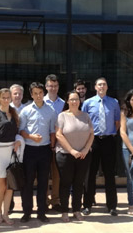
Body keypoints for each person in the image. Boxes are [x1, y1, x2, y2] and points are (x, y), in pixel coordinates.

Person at [81, 77, 120, 216]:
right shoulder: (87, 103)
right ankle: (87, 205)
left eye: (104, 84)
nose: (102, 87)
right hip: (93, 141)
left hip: (108, 140)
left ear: (107, 87)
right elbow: (83, 123)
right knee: (90, 174)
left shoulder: (114, 103)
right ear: (95, 87)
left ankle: (112, 206)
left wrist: (110, 134)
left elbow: (117, 122)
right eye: (99, 85)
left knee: (109, 174)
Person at [19, 82, 57, 223]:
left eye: (40, 93)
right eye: (35, 93)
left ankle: (41, 212)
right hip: (29, 150)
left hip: (45, 150)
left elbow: (52, 131)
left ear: (43, 93)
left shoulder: (51, 111)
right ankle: (27, 212)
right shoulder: (26, 110)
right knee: (27, 182)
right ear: (31, 94)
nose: (38, 95)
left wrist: (52, 146)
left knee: (43, 182)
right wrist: (30, 136)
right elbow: (21, 131)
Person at [55, 91, 94, 222]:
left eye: (76, 99)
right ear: (67, 101)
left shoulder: (85, 116)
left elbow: (91, 134)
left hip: (83, 155)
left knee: (79, 184)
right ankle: (65, 210)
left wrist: (86, 149)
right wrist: (71, 150)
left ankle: (76, 209)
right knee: (65, 183)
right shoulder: (62, 116)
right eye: (71, 99)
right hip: (65, 155)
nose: (74, 102)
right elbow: (59, 135)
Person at [0, 88, 22, 225]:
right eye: (4, 97)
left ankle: (6, 213)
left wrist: (18, 141)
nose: (6, 100)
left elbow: (17, 132)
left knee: (10, 186)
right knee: (1, 185)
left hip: (11, 152)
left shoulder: (14, 114)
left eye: (8, 97)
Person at [44, 74, 64, 212]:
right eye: (50, 85)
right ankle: (44, 200)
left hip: (60, 144)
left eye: (55, 86)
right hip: (44, 143)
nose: (53, 88)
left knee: (57, 174)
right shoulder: (41, 102)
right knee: (44, 174)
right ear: (46, 86)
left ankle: (56, 200)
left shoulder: (63, 103)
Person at [8, 84, 28, 213]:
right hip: (8, 146)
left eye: (19, 93)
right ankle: (9, 205)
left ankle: (25, 206)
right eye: (15, 93)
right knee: (9, 176)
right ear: (10, 95)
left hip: (24, 147)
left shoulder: (26, 109)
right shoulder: (6, 109)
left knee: (22, 176)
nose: (17, 96)